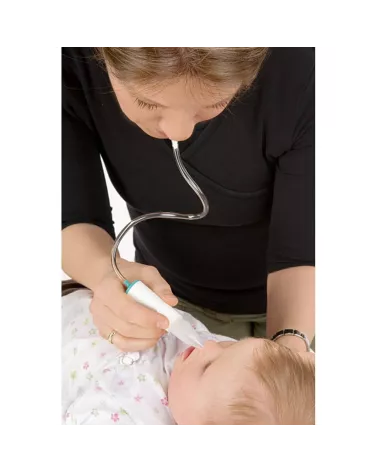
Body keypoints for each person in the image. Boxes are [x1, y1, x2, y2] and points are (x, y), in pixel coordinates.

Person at [62, 41, 315, 354]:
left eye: (214, 102)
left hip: (306, 299)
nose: (179, 132)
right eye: (147, 102)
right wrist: (104, 274)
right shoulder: (65, 56)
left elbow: (301, 249)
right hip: (169, 303)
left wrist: (290, 348)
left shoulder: (302, 67)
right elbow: (69, 211)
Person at [62, 288, 315, 430]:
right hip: (82, 301)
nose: (210, 345)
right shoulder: (231, 369)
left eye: (207, 368)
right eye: (231, 347)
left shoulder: (131, 426)